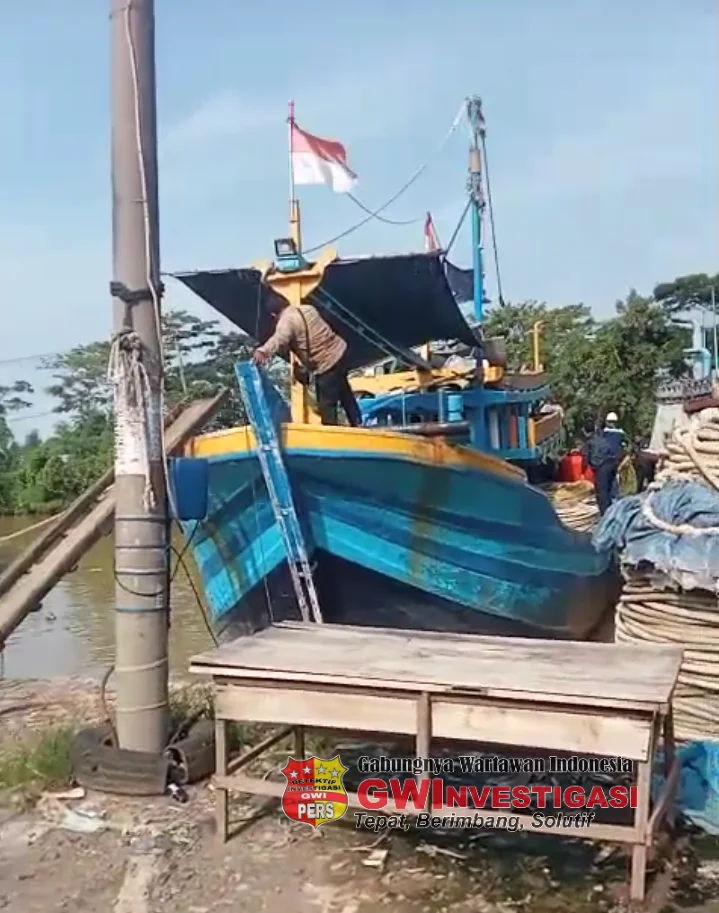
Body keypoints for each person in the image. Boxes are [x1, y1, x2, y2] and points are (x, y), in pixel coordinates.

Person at [252, 299, 361, 427]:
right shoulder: (308, 309)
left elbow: (280, 338)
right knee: (344, 391)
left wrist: (263, 351)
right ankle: (358, 421)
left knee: (326, 405)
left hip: (325, 363)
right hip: (339, 351)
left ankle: (331, 433)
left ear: (273, 314)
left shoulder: (286, 322)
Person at [581, 421, 620, 516]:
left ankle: (605, 515)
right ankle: (613, 511)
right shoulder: (601, 437)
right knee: (610, 491)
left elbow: (585, 459)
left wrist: (582, 472)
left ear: (585, 432)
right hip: (612, 463)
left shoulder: (589, 442)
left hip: (602, 466)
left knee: (601, 492)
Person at [602, 411, 628, 500]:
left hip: (605, 461)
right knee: (614, 481)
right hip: (616, 460)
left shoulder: (604, 433)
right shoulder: (621, 433)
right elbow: (624, 447)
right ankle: (615, 498)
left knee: (605, 484)